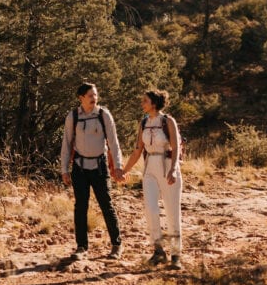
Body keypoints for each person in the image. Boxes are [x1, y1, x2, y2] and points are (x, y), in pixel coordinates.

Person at [118, 89, 183, 269]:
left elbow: (176, 147)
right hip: (149, 168)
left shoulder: (168, 121)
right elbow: (138, 150)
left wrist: (174, 170)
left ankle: (176, 254)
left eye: (145, 101)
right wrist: (124, 170)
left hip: (167, 164)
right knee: (151, 209)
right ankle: (158, 250)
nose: (142, 104)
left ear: (154, 103)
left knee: (172, 212)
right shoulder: (144, 122)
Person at [60, 82, 123, 258]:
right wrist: (64, 169)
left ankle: (116, 245)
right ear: (81, 98)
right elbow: (66, 143)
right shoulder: (73, 116)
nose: (94, 98)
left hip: (100, 167)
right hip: (79, 168)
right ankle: (81, 247)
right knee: (80, 207)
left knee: (106, 205)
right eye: (90, 96)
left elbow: (113, 142)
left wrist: (118, 167)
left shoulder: (104, 115)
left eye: (95, 95)